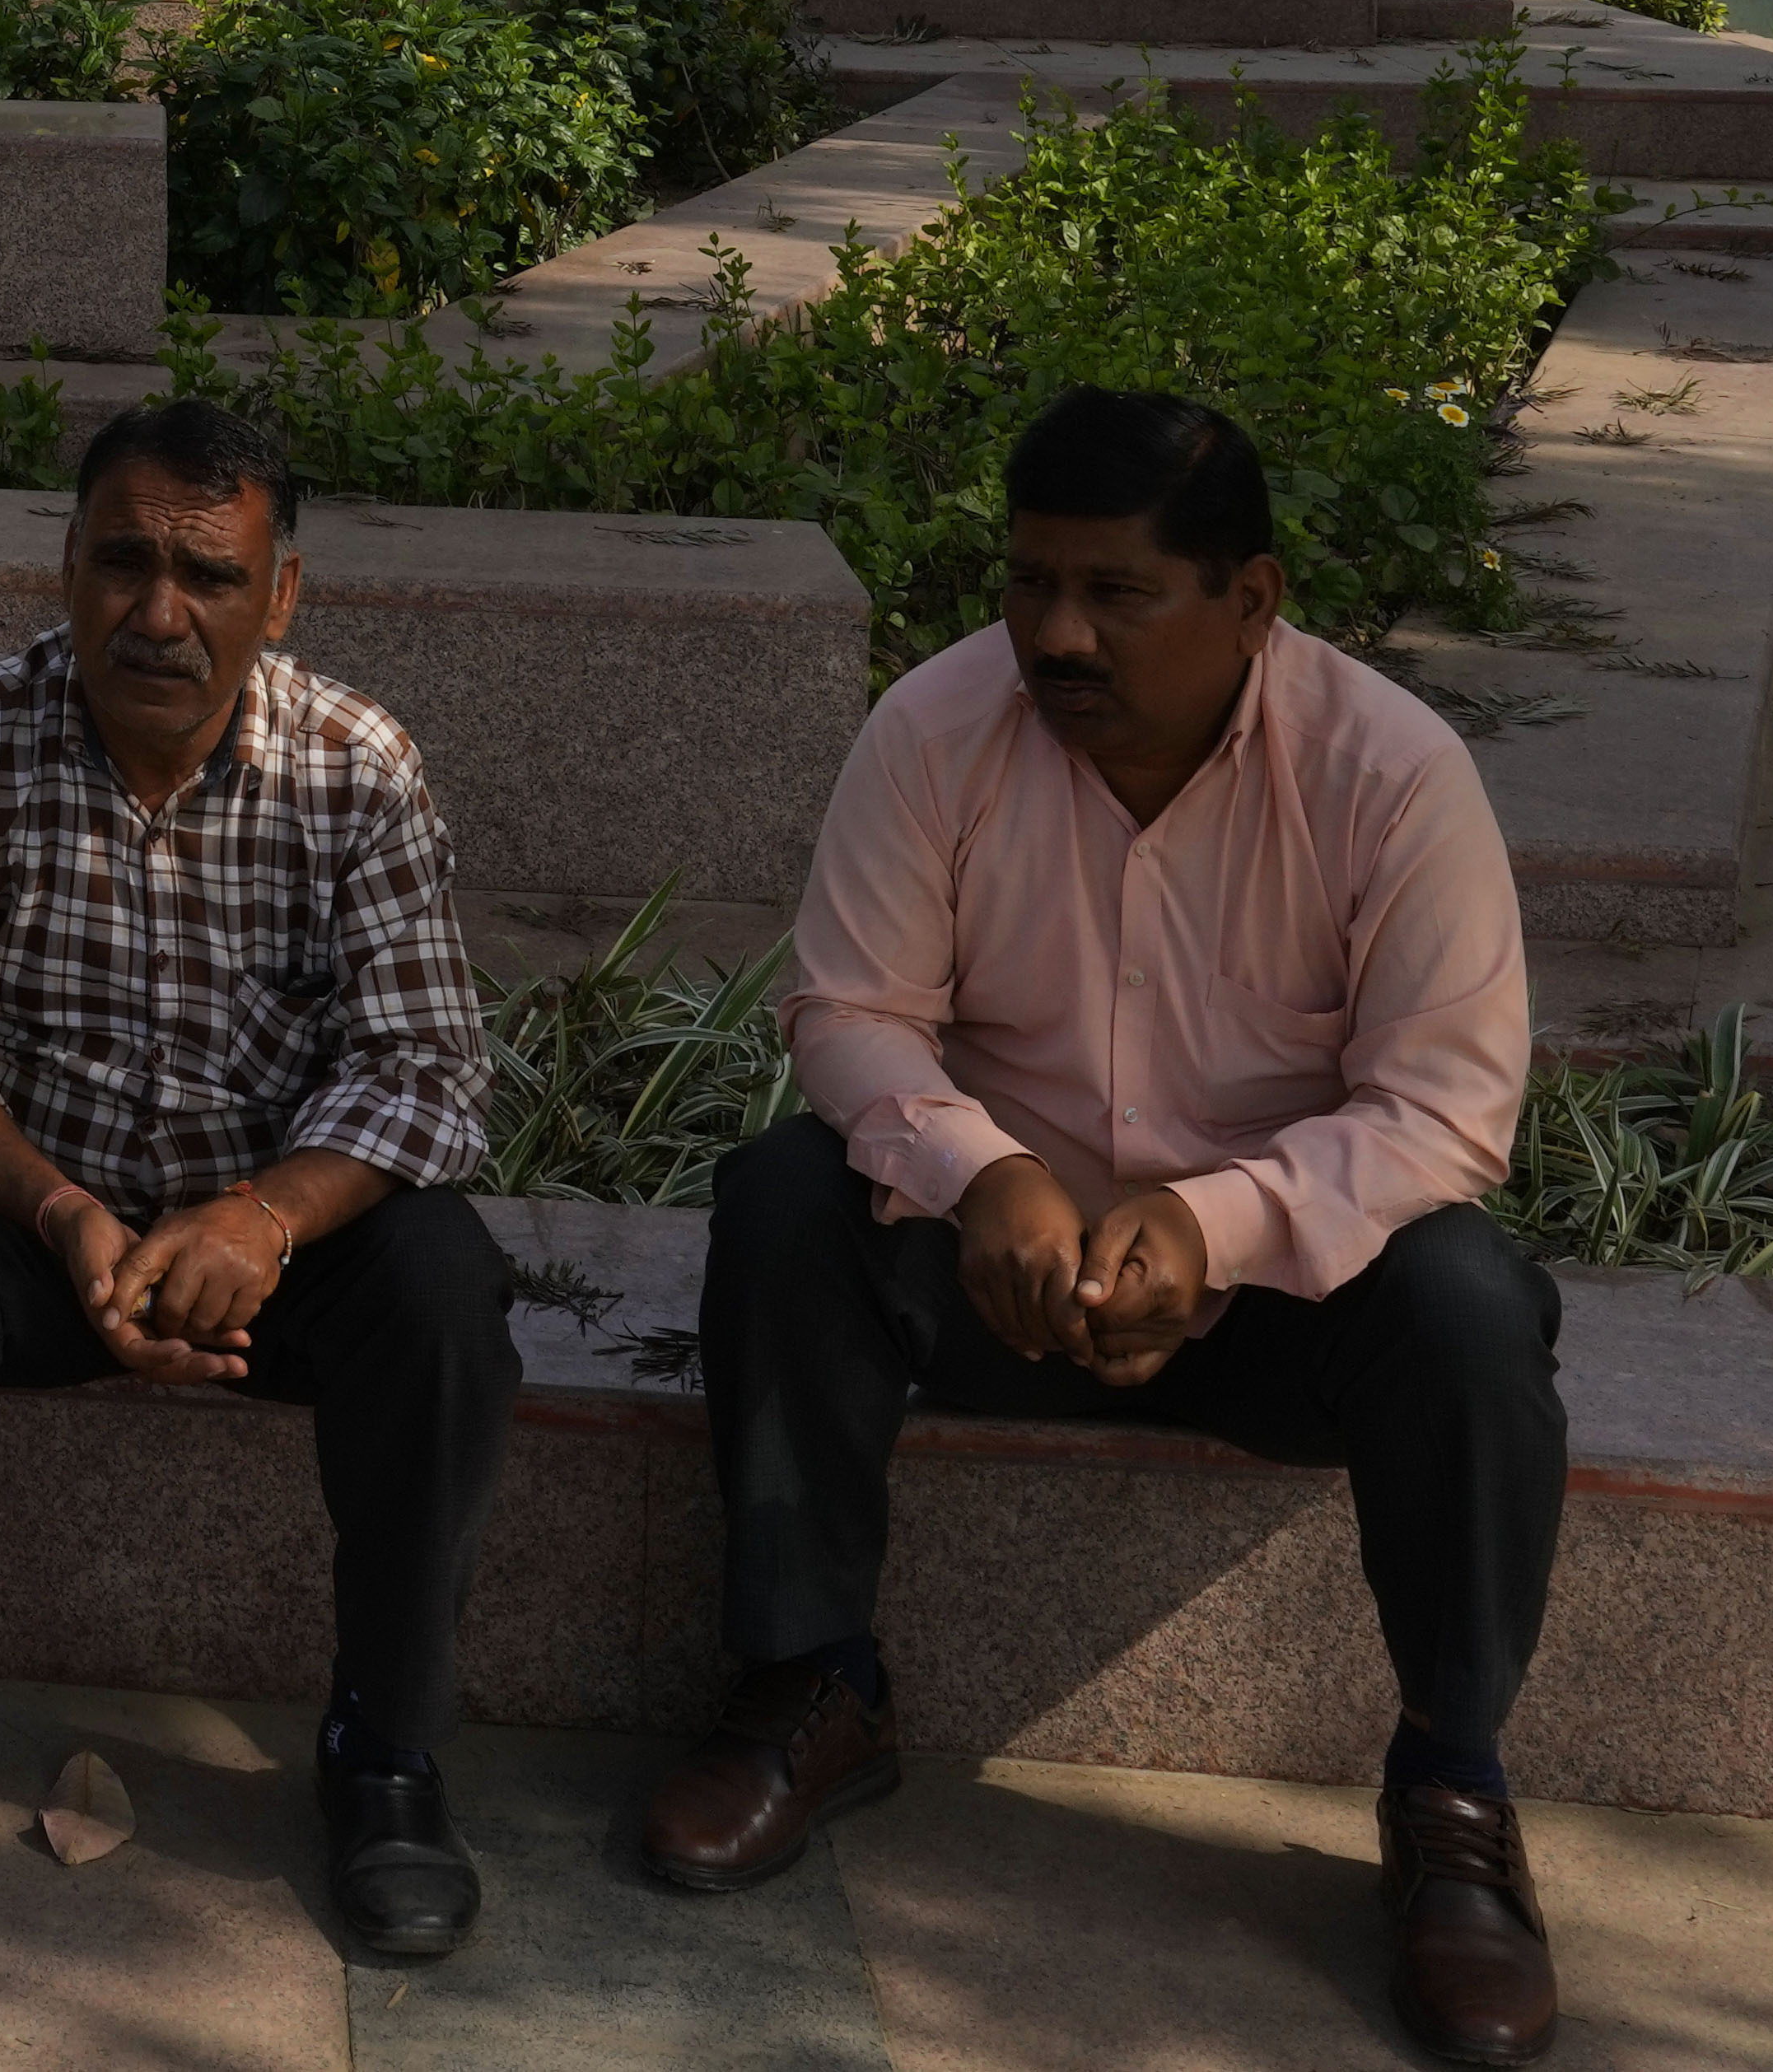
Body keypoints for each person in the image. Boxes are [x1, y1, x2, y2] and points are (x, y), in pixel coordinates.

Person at [642, 387, 1566, 2068]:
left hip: (1280, 1306)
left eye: (1113, 591)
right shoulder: (934, 729)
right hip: (1000, 1275)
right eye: (1028, 582)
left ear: (1252, 596)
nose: (1055, 633)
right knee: (784, 1195)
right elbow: (848, 1009)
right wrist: (979, 1170)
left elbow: (1445, 1107)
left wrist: (1212, 1228)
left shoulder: (1388, 773)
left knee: (1469, 1305)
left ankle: (1450, 1789)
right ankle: (808, 1681)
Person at [0, 396, 516, 1963]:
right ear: (65, 567)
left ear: (282, 595)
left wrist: (258, 1221)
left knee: (445, 1278)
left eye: (207, 575)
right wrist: (60, 1212)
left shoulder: (353, 767)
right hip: (40, 1232)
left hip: (270, 1261)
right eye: (122, 563)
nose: (158, 613)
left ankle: (384, 1752)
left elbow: (427, 1074)